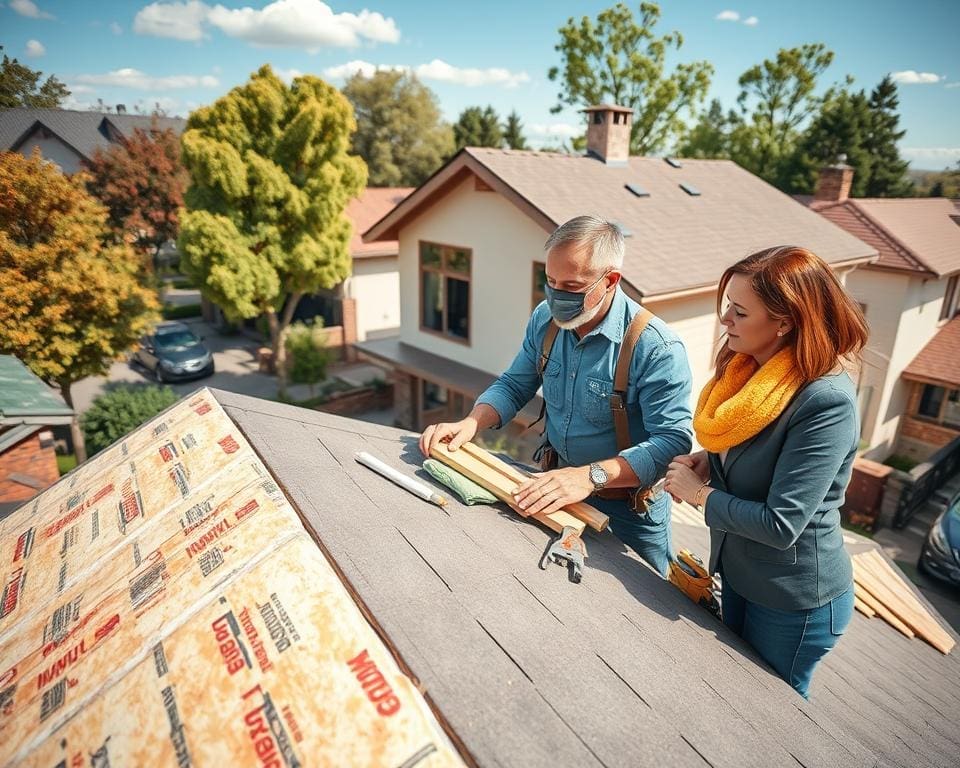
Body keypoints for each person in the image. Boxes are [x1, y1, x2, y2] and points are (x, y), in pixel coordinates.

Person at [419, 215, 693, 576]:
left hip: (629, 512)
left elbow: (672, 442)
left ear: (610, 281)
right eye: (550, 282)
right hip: (555, 488)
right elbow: (515, 384)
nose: (556, 295)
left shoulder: (656, 348)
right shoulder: (545, 319)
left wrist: (588, 477)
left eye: (571, 285)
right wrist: (472, 422)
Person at [664, 245, 867, 698]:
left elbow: (781, 525)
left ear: (784, 322)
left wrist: (700, 495)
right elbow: (754, 455)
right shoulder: (748, 370)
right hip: (739, 576)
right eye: (726, 308)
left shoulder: (826, 402)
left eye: (738, 312)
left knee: (768, 717)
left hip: (793, 603)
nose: (725, 321)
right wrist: (709, 460)